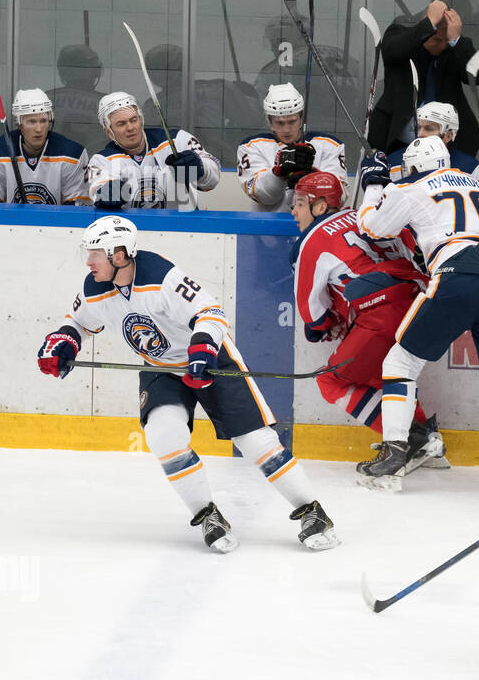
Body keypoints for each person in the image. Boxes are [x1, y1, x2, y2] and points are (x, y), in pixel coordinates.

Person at [35, 215, 339, 553]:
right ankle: (208, 515)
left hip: (209, 358)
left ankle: (313, 511)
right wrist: (63, 341)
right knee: (164, 436)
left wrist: (202, 349)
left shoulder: (162, 278)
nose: (88, 261)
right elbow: (78, 321)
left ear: (119, 255)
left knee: (255, 441)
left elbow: (211, 313)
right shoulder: (95, 287)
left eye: (95, 253)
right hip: (162, 367)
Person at [355, 136, 479, 488]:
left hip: (459, 274)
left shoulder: (410, 184)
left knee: (399, 364)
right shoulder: (473, 182)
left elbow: (371, 227)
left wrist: (373, 185)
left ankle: (394, 454)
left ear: (413, 166)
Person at [288, 170, 448, 476]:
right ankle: (428, 439)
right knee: (393, 376)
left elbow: (310, 310)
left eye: (299, 203)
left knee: (330, 380)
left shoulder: (310, 240)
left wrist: (320, 327)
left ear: (321, 206)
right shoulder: (367, 215)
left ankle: (409, 444)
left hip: (383, 312)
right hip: (422, 302)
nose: (293, 211)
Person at [365, 0, 479, 159]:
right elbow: (392, 51)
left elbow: (477, 76)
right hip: (397, 141)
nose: (442, 45)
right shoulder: (400, 34)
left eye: (446, 40)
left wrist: (456, 41)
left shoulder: (454, 48)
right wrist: (429, 23)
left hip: (448, 145)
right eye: (437, 39)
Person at [86, 91, 220, 211]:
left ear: (141, 120)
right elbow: (98, 189)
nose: (130, 127)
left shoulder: (177, 140)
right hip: (132, 233)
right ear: (109, 132)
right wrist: (107, 194)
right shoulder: (101, 160)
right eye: (121, 124)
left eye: (134, 120)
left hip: (182, 230)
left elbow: (213, 179)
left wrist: (200, 167)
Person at [238, 83, 346, 211]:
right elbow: (261, 196)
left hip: (315, 228)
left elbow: (340, 197)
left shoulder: (330, 145)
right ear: (270, 122)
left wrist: (312, 176)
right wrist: (278, 173)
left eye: (292, 121)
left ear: (301, 119)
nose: (287, 129)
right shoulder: (252, 146)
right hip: (268, 228)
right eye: (280, 123)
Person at [0, 89, 89, 205]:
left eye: (43, 121)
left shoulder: (73, 154)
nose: (39, 129)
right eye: (31, 122)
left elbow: (77, 210)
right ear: (19, 123)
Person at [383, 101, 479, 183]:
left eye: (429, 128)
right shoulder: (395, 161)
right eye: (418, 127)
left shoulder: (471, 168)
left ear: (448, 135)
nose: (420, 134)